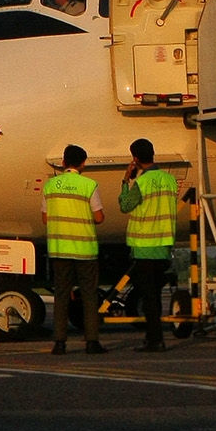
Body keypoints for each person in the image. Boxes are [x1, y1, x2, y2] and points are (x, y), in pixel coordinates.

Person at [42, 144, 105, 355]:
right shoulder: (89, 184)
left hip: (60, 248)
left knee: (61, 295)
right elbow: (98, 217)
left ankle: (59, 342)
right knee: (89, 295)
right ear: (83, 163)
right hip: (85, 249)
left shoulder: (50, 186)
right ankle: (92, 342)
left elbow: (45, 218)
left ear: (63, 162)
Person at [119, 139, 179, 352]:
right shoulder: (170, 180)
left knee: (149, 298)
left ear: (135, 159)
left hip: (144, 247)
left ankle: (155, 340)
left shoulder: (141, 183)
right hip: (163, 247)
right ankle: (153, 337)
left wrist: (126, 180)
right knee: (155, 295)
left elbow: (125, 206)